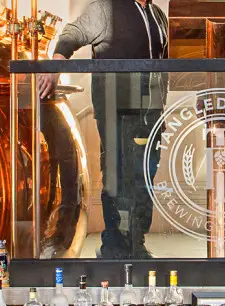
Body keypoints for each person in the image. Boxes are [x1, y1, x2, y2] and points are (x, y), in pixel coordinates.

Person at [39, 0, 168, 260]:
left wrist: (162, 107)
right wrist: (55, 65)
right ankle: (114, 247)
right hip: (116, 112)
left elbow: (163, 65)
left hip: (151, 116)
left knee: (145, 181)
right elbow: (71, 34)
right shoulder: (104, 9)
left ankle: (135, 243)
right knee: (118, 180)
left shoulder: (158, 15)